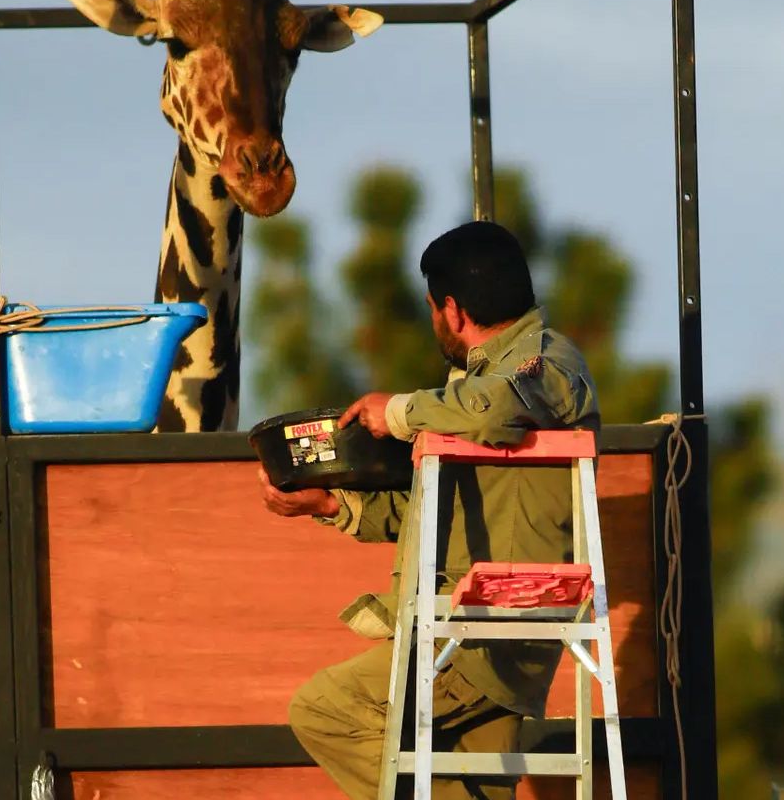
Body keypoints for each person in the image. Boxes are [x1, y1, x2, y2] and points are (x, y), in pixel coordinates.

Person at [257, 220, 601, 800]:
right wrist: (328, 504)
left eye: (432, 309)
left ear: (452, 309)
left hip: (483, 632)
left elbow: (500, 406)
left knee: (325, 710)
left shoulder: (544, 363)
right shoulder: (466, 394)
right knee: (473, 786)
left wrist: (397, 412)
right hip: (471, 631)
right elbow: (424, 511)